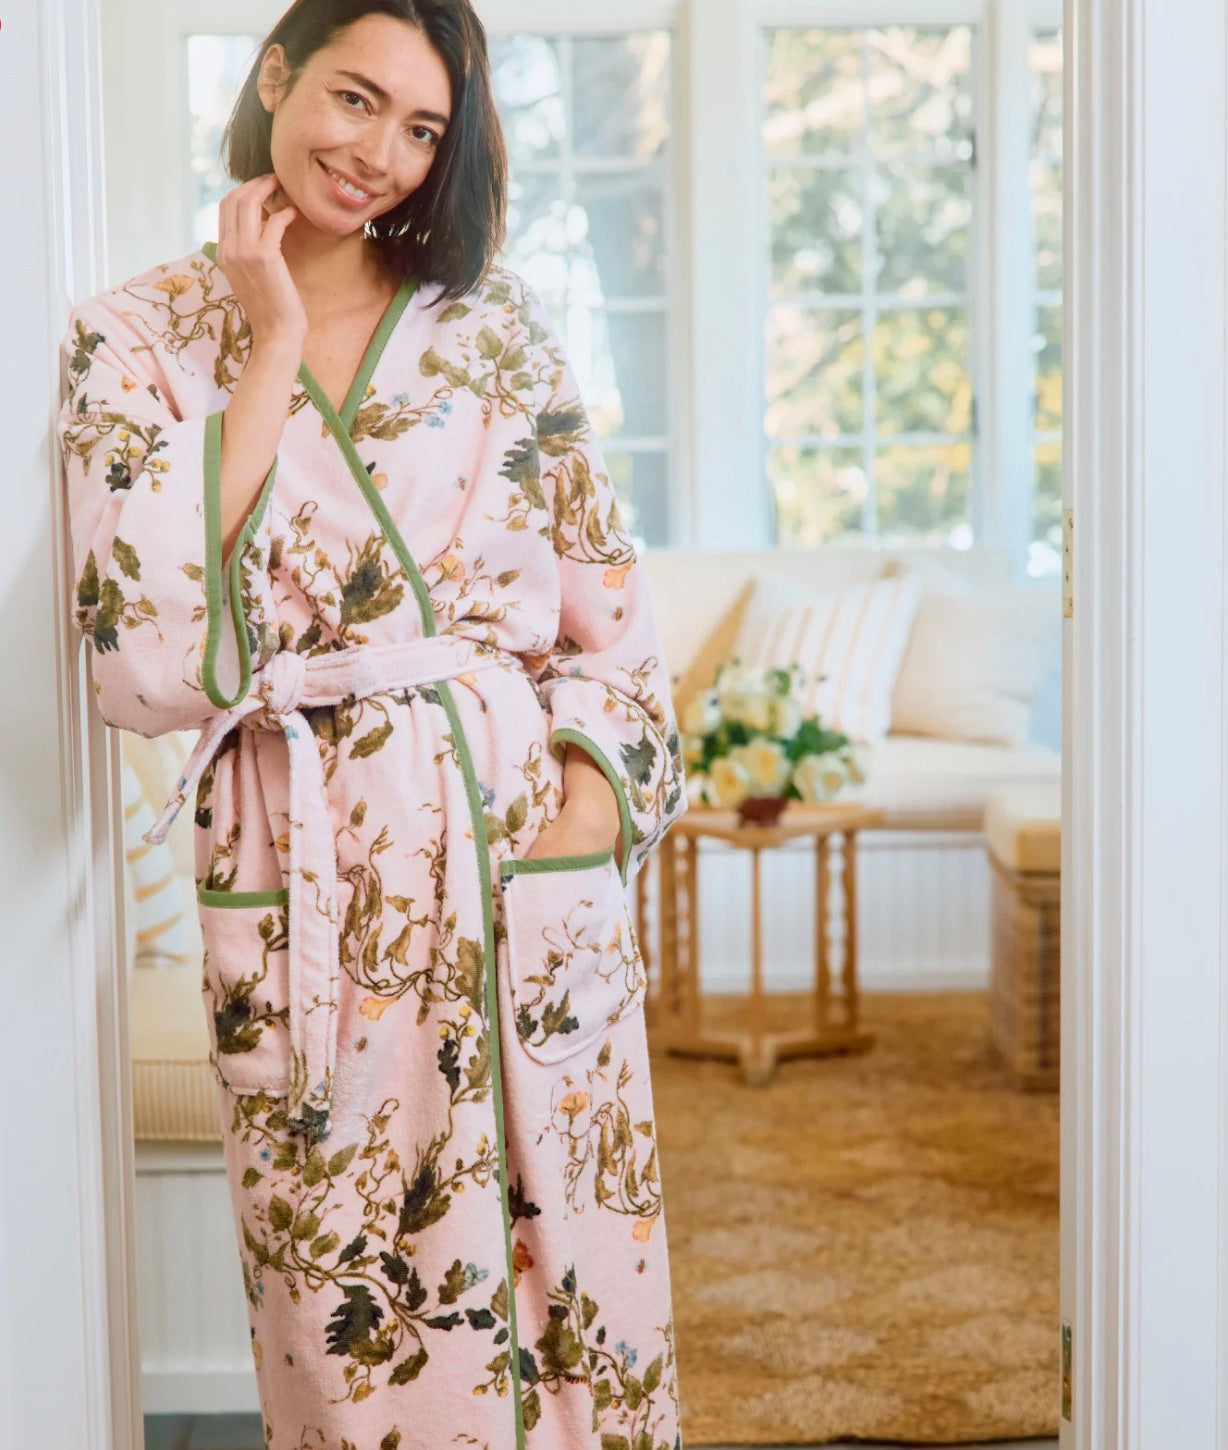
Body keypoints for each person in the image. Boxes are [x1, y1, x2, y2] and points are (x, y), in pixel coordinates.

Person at [56, 2, 687, 1446]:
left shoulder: (496, 326)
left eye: (424, 131)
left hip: (516, 856)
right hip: (310, 879)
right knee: (343, 1302)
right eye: (355, 98)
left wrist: (579, 830)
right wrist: (271, 338)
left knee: (573, 1289)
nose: (381, 155)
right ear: (275, 73)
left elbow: (613, 620)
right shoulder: (132, 339)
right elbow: (144, 649)